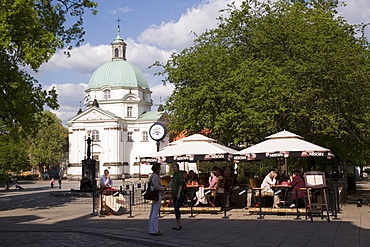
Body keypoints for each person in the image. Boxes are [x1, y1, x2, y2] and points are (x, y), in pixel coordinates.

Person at [148, 163, 166, 236]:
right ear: (157, 169)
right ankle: (154, 230)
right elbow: (156, 187)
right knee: (155, 213)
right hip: (156, 195)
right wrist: (163, 188)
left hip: (154, 195)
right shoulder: (155, 176)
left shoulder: (152, 176)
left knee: (153, 212)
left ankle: (151, 229)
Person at [170, 163, 185, 230]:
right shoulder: (174, 175)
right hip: (174, 194)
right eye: (173, 167)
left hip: (178, 194)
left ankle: (179, 224)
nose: (173, 168)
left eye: (175, 167)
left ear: (177, 168)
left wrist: (179, 193)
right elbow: (172, 183)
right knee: (176, 209)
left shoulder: (179, 174)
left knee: (176, 208)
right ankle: (178, 224)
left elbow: (181, 184)